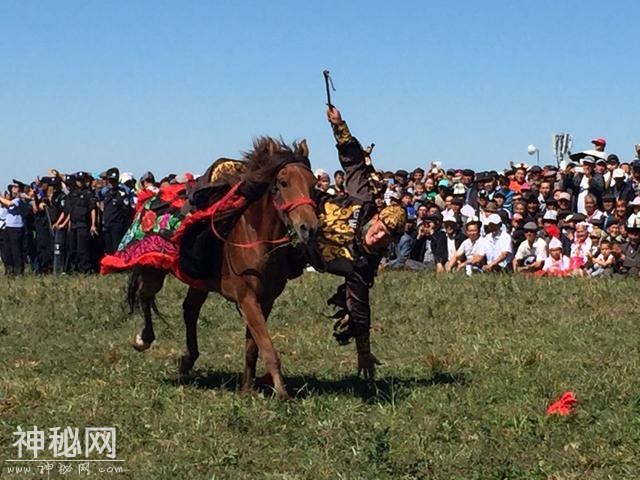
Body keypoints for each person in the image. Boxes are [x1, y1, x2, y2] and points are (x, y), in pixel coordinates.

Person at [306, 105, 406, 379]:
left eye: (388, 236)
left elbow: (360, 307)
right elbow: (353, 163)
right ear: (376, 219)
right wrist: (339, 125)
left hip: (301, 251)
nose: (381, 235)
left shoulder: (363, 264)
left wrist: (363, 352)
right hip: (302, 208)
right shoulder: (362, 201)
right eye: (382, 227)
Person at [59, 173, 98, 273]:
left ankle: (85, 269)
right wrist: (66, 223)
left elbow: (92, 209)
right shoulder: (72, 194)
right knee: (72, 248)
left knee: (82, 248)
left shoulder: (89, 194)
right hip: (73, 224)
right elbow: (69, 211)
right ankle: (72, 268)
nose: (80, 182)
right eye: (78, 180)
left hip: (83, 224)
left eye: (82, 180)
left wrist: (93, 224)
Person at [101, 167, 134, 254]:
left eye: (114, 181)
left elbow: (127, 211)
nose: (112, 183)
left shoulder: (122, 194)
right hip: (107, 225)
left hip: (117, 226)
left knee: (117, 249)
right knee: (108, 249)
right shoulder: (106, 194)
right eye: (110, 181)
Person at [0, 182, 30, 275]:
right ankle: (10, 269)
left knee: (16, 250)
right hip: (8, 227)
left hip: (16, 228)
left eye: (15, 187)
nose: (13, 189)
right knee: (7, 250)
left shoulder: (19, 200)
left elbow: (9, 204)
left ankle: (18, 271)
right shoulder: (14, 199)